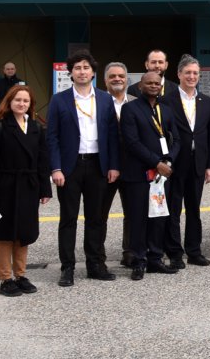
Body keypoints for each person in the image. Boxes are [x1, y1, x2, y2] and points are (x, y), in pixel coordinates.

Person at [46, 51, 120, 286]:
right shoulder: (59, 100)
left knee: (96, 218)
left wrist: (113, 165)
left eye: (86, 67)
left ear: (93, 72)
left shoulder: (105, 99)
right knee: (68, 218)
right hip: (70, 167)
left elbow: (112, 136)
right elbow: (52, 138)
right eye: (77, 68)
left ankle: (95, 264)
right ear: (71, 73)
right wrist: (55, 168)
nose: (82, 71)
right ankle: (67, 267)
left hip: (98, 164)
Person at [0, 85, 52, 296]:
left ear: (31, 105)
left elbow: (42, 160)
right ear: (9, 102)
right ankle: (5, 279)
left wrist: (44, 189)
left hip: (29, 185)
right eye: (18, 100)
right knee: (4, 234)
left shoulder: (37, 128)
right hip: (4, 185)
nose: (22, 104)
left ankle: (20, 274)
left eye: (26, 101)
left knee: (24, 233)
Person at [117, 71, 181, 280]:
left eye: (157, 83)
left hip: (162, 176)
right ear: (140, 86)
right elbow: (131, 142)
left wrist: (169, 160)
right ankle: (139, 260)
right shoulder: (130, 109)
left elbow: (177, 140)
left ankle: (155, 258)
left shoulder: (167, 110)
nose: (154, 86)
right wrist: (156, 163)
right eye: (149, 83)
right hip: (139, 174)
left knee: (159, 216)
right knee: (138, 218)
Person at [165, 55, 210, 268]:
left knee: (194, 210)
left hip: (198, 163)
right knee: (173, 209)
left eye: (195, 73)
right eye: (188, 72)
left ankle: (194, 251)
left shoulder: (206, 101)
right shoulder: (166, 100)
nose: (192, 76)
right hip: (175, 164)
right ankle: (175, 254)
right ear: (179, 74)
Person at [99, 62, 136, 267]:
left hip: (131, 168)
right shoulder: (98, 103)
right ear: (105, 80)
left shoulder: (135, 102)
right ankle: (98, 257)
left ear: (126, 79)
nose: (117, 79)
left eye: (121, 76)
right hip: (104, 168)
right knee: (99, 214)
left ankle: (129, 252)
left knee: (132, 213)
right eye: (112, 76)